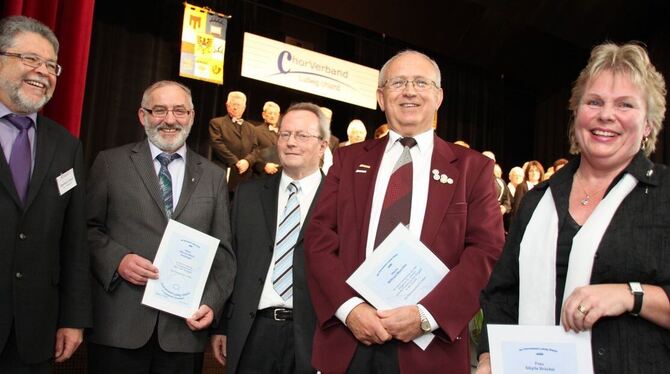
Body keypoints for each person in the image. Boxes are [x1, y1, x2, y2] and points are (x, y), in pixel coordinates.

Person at [305, 50, 504, 373]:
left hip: (429, 349)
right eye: (398, 82)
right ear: (381, 97)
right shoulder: (348, 160)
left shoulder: (473, 169)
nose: (409, 91)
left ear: (438, 97)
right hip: (350, 342)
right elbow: (318, 238)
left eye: (421, 83)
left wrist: (426, 315)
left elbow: (486, 252)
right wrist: (350, 309)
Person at [477, 42, 670, 374]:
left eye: (625, 104)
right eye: (593, 102)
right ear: (577, 113)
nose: (605, 115)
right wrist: (488, 358)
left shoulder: (664, 195)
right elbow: (503, 295)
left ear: (649, 125)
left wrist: (630, 295)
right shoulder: (539, 199)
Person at [86, 80, 236, 373]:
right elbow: (86, 230)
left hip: (182, 333)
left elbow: (223, 254)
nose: (170, 120)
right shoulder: (110, 163)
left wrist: (211, 304)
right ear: (142, 115)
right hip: (119, 327)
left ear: (192, 116)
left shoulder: (214, 177)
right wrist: (117, 260)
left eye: (180, 111)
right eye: (159, 110)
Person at [0, 16, 91, 373]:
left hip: (34, 334)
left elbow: (74, 241)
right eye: (31, 59)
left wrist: (73, 318)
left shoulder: (65, 146)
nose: (43, 72)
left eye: (51, 65)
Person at [211, 102, 328, 374]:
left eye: (302, 135)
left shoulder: (341, 201)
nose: (290, 142)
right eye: (285, 135)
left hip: (313, 337)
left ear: (322, 146)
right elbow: (231, 262)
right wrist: (224, 326)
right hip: (253, 332)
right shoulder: (248, 195)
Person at [209, 91, 259, 193]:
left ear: (244, 107)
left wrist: (247, 161)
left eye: (239, 105)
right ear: (227, 105)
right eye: (233, 104)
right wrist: (235, 161)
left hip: (245, 175)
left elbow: (256, 149)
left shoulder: (252, 128)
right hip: (224, 170)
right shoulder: (216, 123)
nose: (236, 108)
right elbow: (217, 144)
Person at [253, 100, 281, 176]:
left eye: (275, 114)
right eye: (270, 113)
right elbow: (252, 153)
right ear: (263, 115)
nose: (272, 116)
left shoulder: (284, 134)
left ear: (278, 116)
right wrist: (264, 166)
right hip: (262, 175)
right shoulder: (256, 131)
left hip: (279, 175)